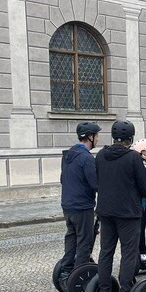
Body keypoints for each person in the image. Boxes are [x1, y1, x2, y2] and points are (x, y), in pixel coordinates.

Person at [95, 120, 146, 292]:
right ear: (131, 138)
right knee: (129, 253)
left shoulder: (101, 155)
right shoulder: (133, 158)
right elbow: (144, 186)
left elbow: (98, 180)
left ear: (113, 137)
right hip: (128, 213)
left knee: (106, 252)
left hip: (106, 211)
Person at [58, 121, 100, 282]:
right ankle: (80, 277)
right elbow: (95, 183)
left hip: (67, 205)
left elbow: (63, 178)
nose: (98, 139)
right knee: (84, 241)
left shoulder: (68, 155)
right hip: (82, 206)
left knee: (71, 237)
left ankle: (66, 270)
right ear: (90, 137)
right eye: (96, 136)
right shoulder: (86, 158)